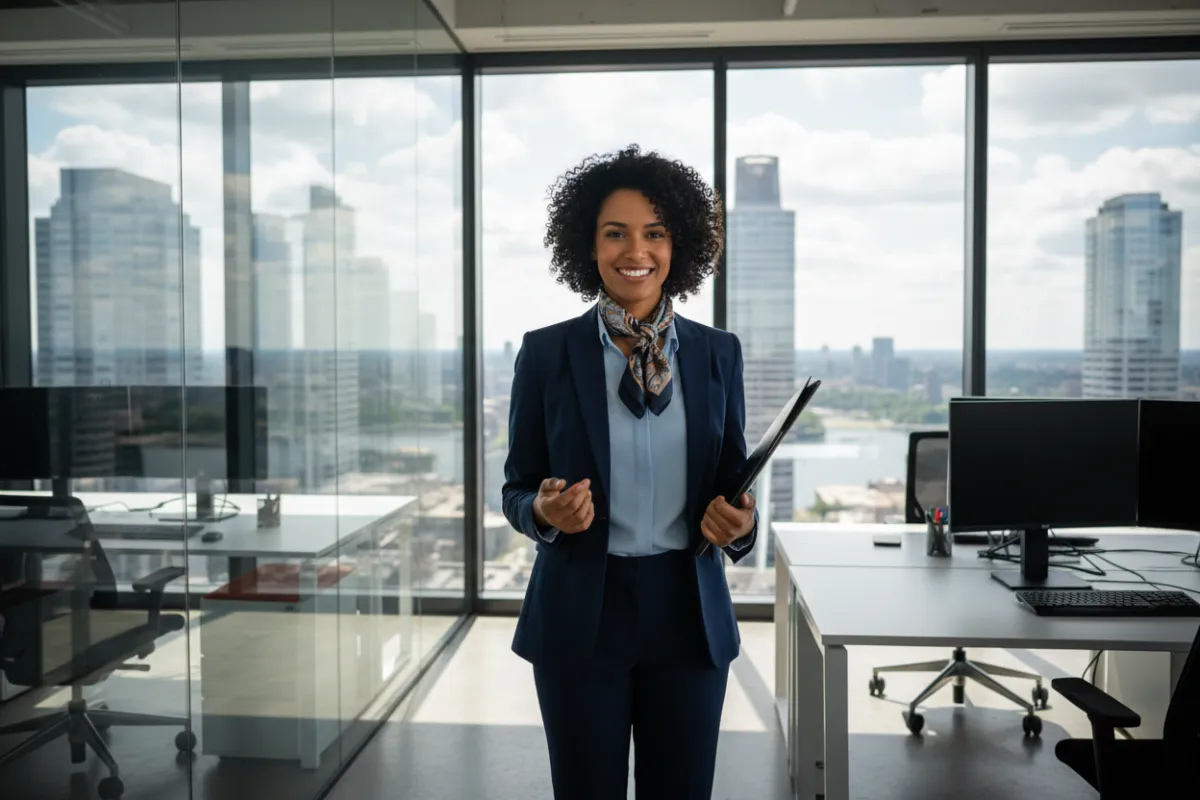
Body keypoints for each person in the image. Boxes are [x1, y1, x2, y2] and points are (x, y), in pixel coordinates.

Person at [502, 144, 758, 800]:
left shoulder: (716, 354)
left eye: (655, 233)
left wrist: (741, 523)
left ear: (680, 247)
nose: (634, 250)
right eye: (614, 233)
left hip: (688, 612)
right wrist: (543, 511)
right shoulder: (546, 353)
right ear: (587, 245)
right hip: (582, 612)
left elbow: (735, 482)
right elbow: (517, 486)